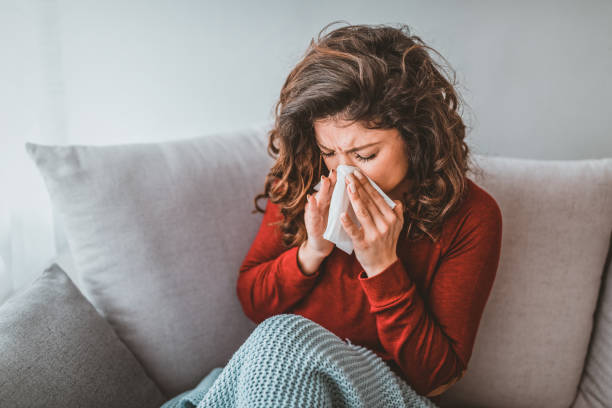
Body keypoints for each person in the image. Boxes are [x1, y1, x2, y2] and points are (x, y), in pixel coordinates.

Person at [235, 21, 503, 400]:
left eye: (365, 155)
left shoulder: (470, 217)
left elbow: (437, 377)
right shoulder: (303, 181)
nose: (343, 170)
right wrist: (312, 252)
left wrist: (383, 267)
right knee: (276, 340)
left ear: (416, 138)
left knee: (282, 337)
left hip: (384, 393)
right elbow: (252, 302)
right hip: (282, 375)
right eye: (329, 152)